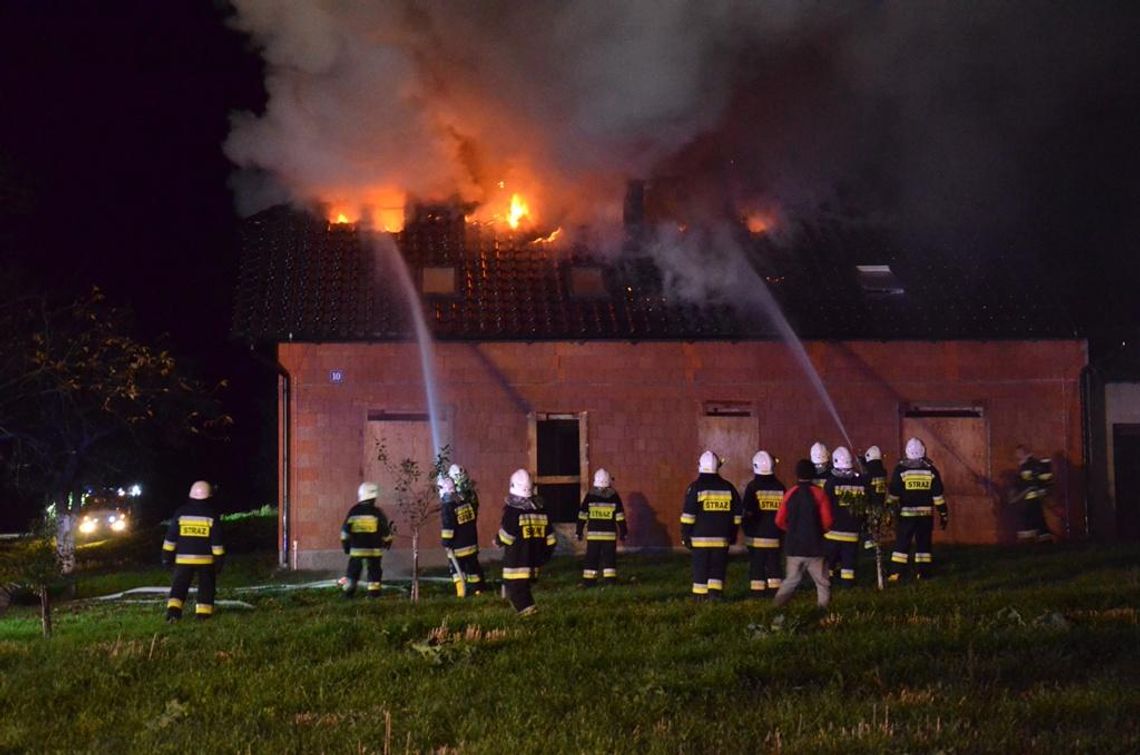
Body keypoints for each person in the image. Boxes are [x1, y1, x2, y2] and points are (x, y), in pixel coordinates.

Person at [772, 460, 834, 609]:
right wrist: (819, 531)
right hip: (815, 547)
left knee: (791, 580)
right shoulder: (820, 493)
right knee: (822, 582)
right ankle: (823, 610)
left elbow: (779, 520)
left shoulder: (790, 493)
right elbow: (828, 521)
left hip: (794, 547)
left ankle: (776, 607)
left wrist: (793, 531)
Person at [680, 450, 741, 601]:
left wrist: (685, 535)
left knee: (700, 568)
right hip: (721, 539)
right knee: (718, 567)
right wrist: (733, 534)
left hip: (700, 540)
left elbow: (688, 515)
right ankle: (716, 596)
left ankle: (700, 597)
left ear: (700, 466)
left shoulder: (695, 488)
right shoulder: (728, 487)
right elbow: (737, 515)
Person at [162, 480, 225, 621]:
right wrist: (219, 561)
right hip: (206, 561)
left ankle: (173, 612)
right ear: (209, 496)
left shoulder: (181, 513)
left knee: (179, 585)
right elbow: (217, 542)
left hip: (183, 560)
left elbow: (171, 538)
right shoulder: (211, 515)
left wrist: (166, 557)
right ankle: (203, 614)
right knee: (206, 586)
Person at [886, 437, 948, 581]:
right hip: (925, 515)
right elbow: (938, 495)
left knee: (902, 543)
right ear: (923, 451)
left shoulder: (900, 470)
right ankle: (923, 573)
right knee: (924, 544)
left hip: (906, 515)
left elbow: (894, 494)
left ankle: (896, 572)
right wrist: (944, 513)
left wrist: (889, 511)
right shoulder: (931, 470)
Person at [497, 469, 555, 615]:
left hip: (516, 561)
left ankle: (529, 614)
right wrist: (544, 555)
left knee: (515, 590)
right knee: (523, 587)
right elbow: (551, 539)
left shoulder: (512, 511)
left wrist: (497, 540)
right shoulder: (541, 509)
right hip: (533, 560)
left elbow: (507, 536)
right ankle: (527, 610)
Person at [740, 450, 786, 596]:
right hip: (775, 536)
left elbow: (747, 511)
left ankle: (757, 595)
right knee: (774, 565)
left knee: (756, 566)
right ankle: (776, 593)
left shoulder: (752, 487)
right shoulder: (780, 487)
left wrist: (746, 529)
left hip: (756, 537)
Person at [823, 447, 870, 586]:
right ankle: (847, 585)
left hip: (833, 532)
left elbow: (825, 505)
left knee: (830, 561)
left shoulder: (831, 482)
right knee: (848, 561)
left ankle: (827, 583)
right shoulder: (859, 481)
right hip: (852, 532)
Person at [340, 482, 394, 599]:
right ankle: (374, 595)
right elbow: (385, 530)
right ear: (374, 497)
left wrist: (346, 546)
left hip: (356, 550)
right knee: (374, 571)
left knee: (353, 572)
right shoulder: (377, 512)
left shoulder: (353, 511)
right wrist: (388, 541)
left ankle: (348, 593)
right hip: (374, 550)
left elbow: (345, 532)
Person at [576, 468, 627, 586]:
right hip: (609, 535)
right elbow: (620, 516)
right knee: (609, 558)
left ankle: (589, 582)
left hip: (593, 535)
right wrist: (623, 531)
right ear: (608, 481)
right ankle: (610, 581)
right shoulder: (614, 496)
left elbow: (582, 514)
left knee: (591, 558)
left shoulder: (590, 496)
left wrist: (579, 531)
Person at [439, 474, 485, 597]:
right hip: (471, 544)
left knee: (456, 570)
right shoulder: (465, 502)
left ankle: (461, 593)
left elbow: (448, 527)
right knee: (473, 569)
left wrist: (446, 541)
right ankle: (478, 591)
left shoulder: (448, 506)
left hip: (458, 548)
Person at [1013, 446, 1055, 543]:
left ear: (1023, 452)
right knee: (1039, 521)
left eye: (1018, 453)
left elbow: (1027, 482)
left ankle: (1030, 541)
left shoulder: (1028, 465)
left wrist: (1020, 492)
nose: (1016, 455)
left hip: (1031, 498)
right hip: (1031, 498)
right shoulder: (1027, 465)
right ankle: (1044, 540)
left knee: (1030, 520)